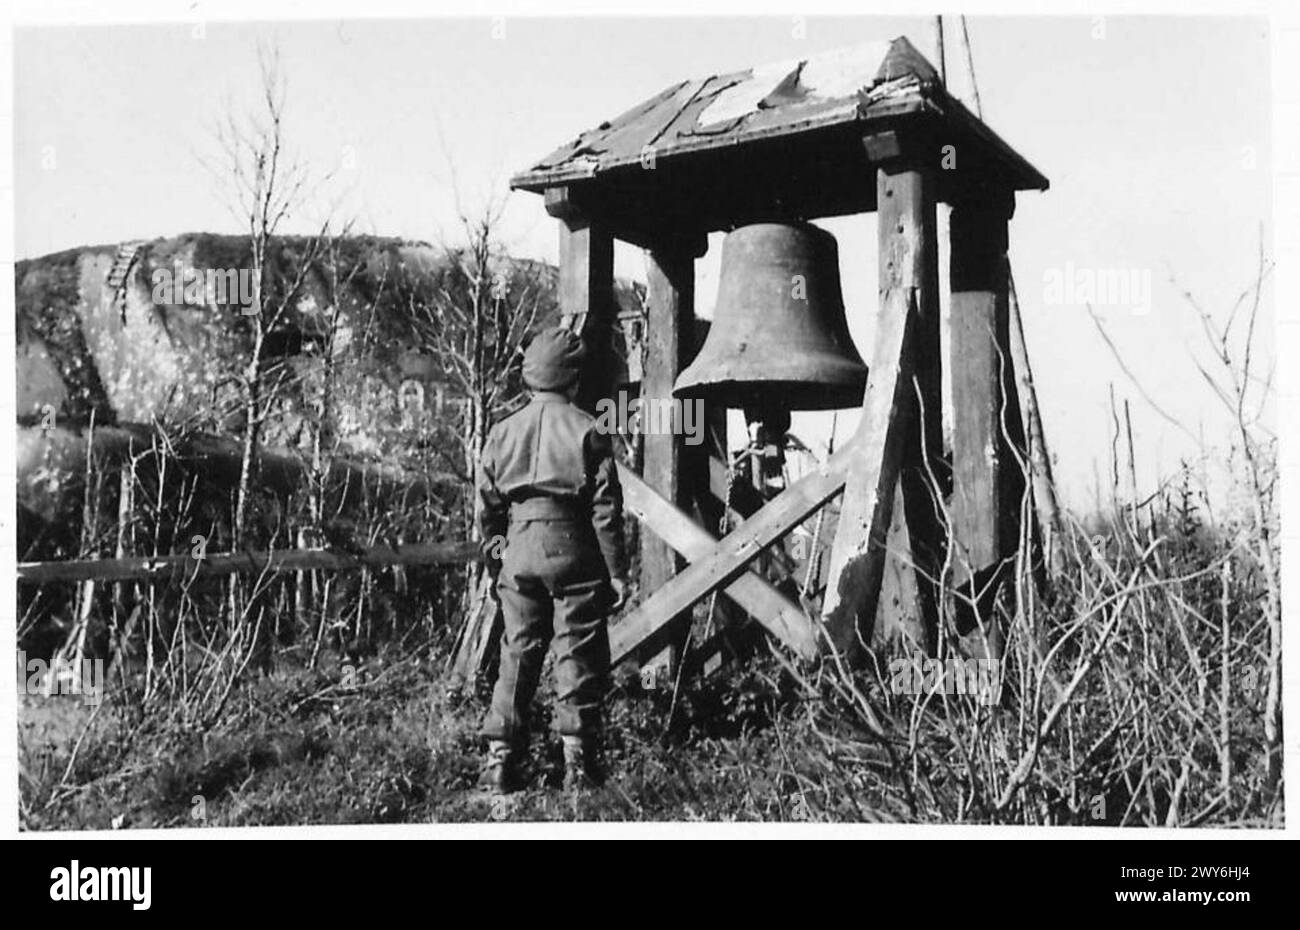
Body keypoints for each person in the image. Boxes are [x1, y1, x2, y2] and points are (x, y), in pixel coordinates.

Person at [476, 326, 628, 793]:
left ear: (530, 377)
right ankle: (577, 765)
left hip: (520, 546)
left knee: (517, 653)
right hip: (573, 547)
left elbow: (488, 509)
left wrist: (497, 563)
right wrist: (617, 572)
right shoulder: (589, 429)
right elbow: (605, 508)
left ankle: (500, 762)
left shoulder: (502, 432)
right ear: (574, 380)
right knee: (576, 651)